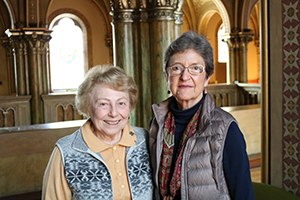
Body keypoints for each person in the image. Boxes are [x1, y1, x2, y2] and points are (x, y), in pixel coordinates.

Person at [149, 31, 255, 200]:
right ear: (166, 76)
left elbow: (243, 194)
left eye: (195, 69)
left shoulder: (226, 129)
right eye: (176, 68)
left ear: (207, 78)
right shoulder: (157, 123)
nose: (185, 77)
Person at [42, 65, 153, 200]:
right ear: (88, 107)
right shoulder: (66, 151)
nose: (113, 113)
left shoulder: (144, 139)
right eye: (103, 104)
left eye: (121, 103)